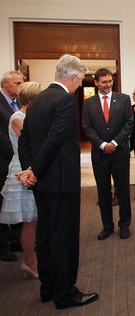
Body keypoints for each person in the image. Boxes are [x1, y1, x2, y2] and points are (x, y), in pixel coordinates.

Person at [17, 54, 98, 309]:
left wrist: (29, 170)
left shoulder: (38, 98)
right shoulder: (64, 99)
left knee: (47, 235)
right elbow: (54, 140)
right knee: (64, 238)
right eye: (80, 79)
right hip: (60, 182)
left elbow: (24, 139)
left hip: (41, 184)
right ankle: (64, 294)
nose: (78, 84)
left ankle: (48, 287)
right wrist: (35, 171)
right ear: (73, 77)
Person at [82, 68, 134, 240]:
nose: (108, 84)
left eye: (110, 81)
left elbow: (129, 124)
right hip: (100, 154)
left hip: (120, 152)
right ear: (96, 82)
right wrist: (103, 144)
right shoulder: (88, 103)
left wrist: (114, 142)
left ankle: (124, 225)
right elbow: (87, 127)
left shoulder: (124, 99)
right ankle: (107, 226)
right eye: (104, 82)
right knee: (103, 191)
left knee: (123, 190)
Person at [0, 81, 42, 279]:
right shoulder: (18, 118)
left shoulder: (31, 116)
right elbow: (34, 143)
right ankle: (29, 262)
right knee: (30, 221)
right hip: (23, 171)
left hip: (35, 169)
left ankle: (35, 259)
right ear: (32, 99)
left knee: (36, 219)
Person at [0, 70, 23, 262]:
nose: (20, 86)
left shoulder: (19, 103)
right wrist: (16, 151)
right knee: (2, 204)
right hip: (3, 160)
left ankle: (17, 240)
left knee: (16, 202)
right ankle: (2, 246)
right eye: (17, 83)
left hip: (17, 161)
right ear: (5, 84)